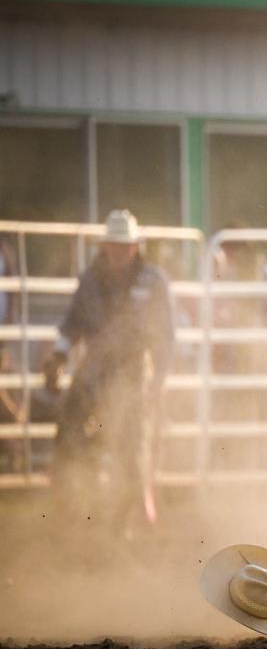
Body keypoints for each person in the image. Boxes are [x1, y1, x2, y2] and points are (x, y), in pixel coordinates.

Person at [42, 209, 175, 533]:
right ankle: (73, 506)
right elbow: (73, 323)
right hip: (95, 369)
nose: (118, 251)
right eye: (114, 245)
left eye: (124, 245)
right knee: (70, 431)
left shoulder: (152, 281)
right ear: (106, 246)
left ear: (134, 247)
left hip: (133, 374)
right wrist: (59, 356)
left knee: (131, 447)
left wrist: (158, 380)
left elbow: (164, 335)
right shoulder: (91, 280)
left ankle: (122, 522)